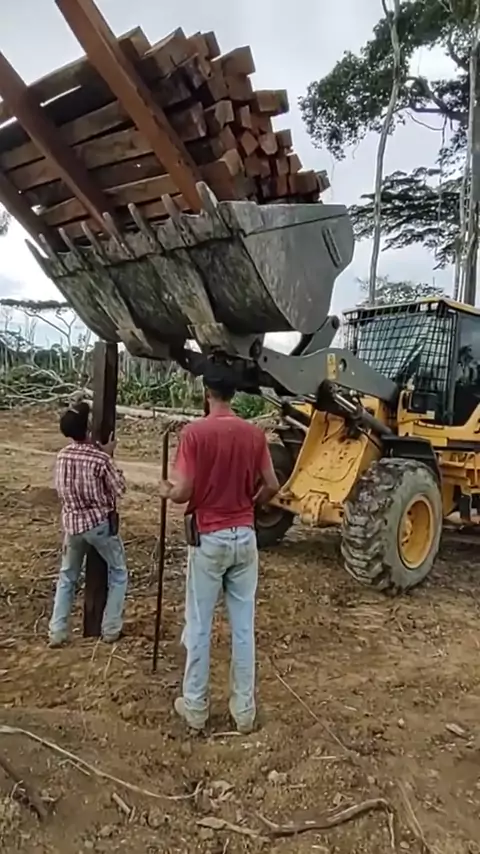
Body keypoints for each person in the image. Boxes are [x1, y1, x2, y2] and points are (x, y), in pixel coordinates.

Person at [159, 365, 279, 733]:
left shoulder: (194, 434)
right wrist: (252, 502)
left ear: (206, 393)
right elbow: (272, 485)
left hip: (209, 537)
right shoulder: (254, 434)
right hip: (245, 536)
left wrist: (167, 491)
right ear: (234, 394)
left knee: (199, 623)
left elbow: (184, 491)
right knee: (243, 626)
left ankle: (196, 707)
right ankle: (244, 712)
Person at [49, 401, 128, 647]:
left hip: (72, 524)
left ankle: (57, 631)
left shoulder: (62, 456)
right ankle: (111, 628)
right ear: (88, 429)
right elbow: (120, 489)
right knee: (118, 572)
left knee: (67, 577)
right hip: (98, 524)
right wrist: (107, 454)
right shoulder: (100, 459)